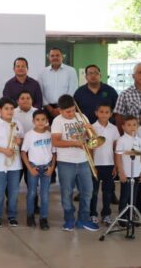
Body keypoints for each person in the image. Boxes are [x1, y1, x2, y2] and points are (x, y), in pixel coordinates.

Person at [51, 94, 98, 231]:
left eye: (73, 110)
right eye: (68, 111)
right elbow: (56, 141)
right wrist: (75, 143)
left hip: (83, 160)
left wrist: (91, 130)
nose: (72, 114)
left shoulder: (82, 117)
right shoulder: (57, 121)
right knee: (67, 193)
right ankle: (69, 219)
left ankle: (83, 219)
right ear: (60, 110)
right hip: (66, 162)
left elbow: (92, 139)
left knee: (87, 191)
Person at [0, 97, 23, 228]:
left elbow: (21, 140)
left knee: (13, 192)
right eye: (6, 108)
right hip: (0, 165)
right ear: (0, 110)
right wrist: (4, 151)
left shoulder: (18, 123)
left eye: (12, 109)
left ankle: (12, 215)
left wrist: (20, 142)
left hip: (15, 164)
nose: (9, 111)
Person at [21, 109, 55, 230]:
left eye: (43, 120)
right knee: (32, 193)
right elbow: (23, 152)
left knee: (45, 195)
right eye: (37, 120)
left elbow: (54, 152)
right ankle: (30, 216)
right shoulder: (29, 135)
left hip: (47, 167)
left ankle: (43, 218)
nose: (40, 122)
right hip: (34, 167)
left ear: (47, 121)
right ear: (33, 121)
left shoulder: (50, 135)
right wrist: (30, 168)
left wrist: (52, 167)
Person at [89, 104, 120, 225]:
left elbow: (115, 148)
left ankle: (106, 214)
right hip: (96, 165)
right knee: (94, 192)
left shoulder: (113, 128)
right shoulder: (92, 127)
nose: (104, 114)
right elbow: (90, 149)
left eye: (107, 112)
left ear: (111, 114)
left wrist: (116, 165)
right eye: (101, 112)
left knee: (107, 192)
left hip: (109, 165)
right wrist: (91, 165)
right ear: (96, 113)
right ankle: (92, 214)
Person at [115, 116, 141, 224]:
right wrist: (121, 172)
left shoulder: (139, 140)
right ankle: (122, 218)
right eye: (129, 125)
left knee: (134, 196)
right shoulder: (121, 140)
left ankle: (131, 216)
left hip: (137, 172)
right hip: (127, 173)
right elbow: (118, 158)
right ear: (123, 127)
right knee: (125, 196)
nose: (132, 127)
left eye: (134, 125)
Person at [38, 48, 78, 122]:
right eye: (52, 56)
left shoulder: (71, 71)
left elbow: (73, 90)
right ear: (49, 58)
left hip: (66, 108)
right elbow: (40, 92)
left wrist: (61, 108)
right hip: (48, 109)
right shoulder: (42, 72)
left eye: (57, 55)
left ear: (62, 57)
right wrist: (50, 109)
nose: (55, 57)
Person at [114, 62, 141, 130]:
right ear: (133, 76)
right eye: (140, 72)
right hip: (133, 135)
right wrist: (123, 136)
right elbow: (118, 117)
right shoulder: (125, 94)